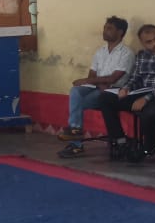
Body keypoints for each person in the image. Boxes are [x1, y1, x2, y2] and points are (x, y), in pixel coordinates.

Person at [97, 24, 155, 162]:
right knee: (105, 98)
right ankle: (120, 141)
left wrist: (147, 98)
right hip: (143, 92)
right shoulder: (142, 55)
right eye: (149, 42)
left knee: (149, 111)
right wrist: (126, 88)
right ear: (143, 43)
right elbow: (136, 78)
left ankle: (148, 147)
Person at [57, 16, 134, 158]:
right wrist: (98, 82)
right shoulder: (100, 51)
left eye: (109, 28)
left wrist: (93, 81)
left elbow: (113, 79)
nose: (105, 31)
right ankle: (75, 132)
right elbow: (92, 75)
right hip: (99, 87)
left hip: (115, 91)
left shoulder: (126, 53)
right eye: (105, 28)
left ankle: (76, 144)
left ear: (120, 32)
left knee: (78, 103)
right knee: (76, 91)